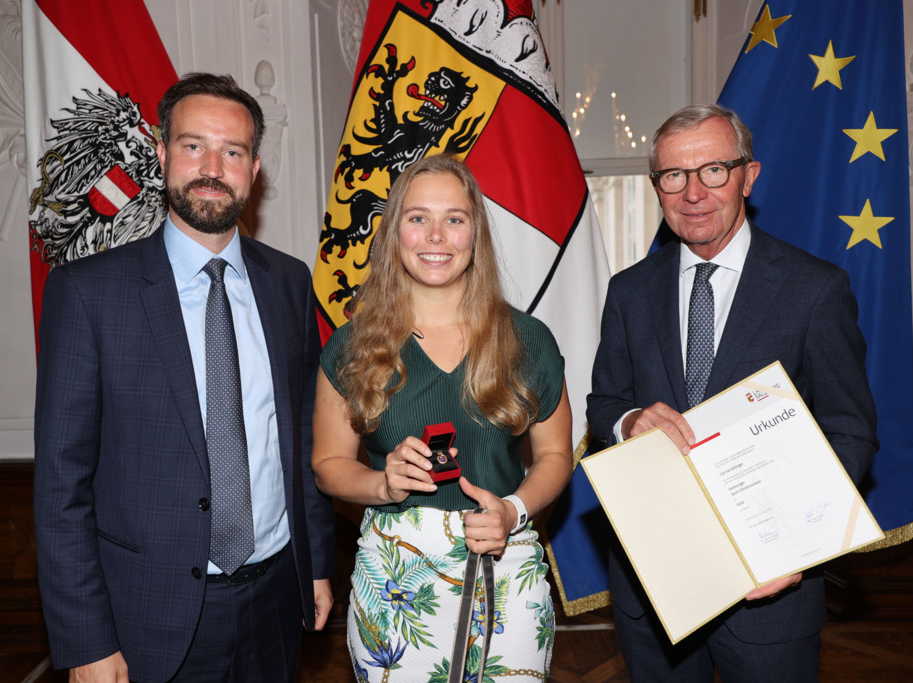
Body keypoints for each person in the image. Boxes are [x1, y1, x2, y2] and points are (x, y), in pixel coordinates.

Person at [33, 72, 335, 682]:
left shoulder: (289, 282)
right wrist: (86, 641)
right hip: (147, 615)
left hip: (277, 597)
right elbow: (62, 486)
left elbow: (303, 438)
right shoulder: (88, 293)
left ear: (254, 169)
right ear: (162, 154)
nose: (212, 168)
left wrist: (318, 563)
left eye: (233, 152)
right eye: (194, 145)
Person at [586, 104, 878, 682]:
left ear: (749, 175)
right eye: (674, 175)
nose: (693, 193)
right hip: (655, 588)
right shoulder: (629, 291)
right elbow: (603, 405)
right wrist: (630, 420)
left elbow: (850, 430)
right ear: (657, 187)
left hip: (770, 590)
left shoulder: (815, 289)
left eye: (714, 170)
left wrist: (795, 548)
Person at [311, 154, 573, 680]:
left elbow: (555, 456)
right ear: (395, 233)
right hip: (395, 578)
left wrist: (513, 511)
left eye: (454, 218)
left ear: (476, 234)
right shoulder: (351, 347)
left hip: (505, 562)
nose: (436, 236)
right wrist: (383, 484)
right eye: (418, 218)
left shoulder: (528, 340)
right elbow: (328, 464)